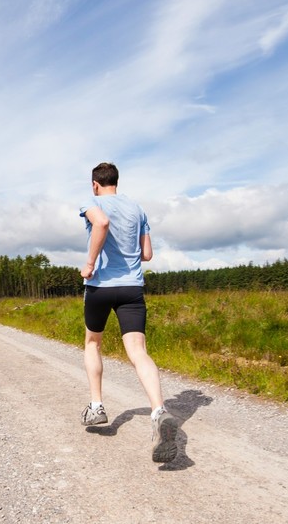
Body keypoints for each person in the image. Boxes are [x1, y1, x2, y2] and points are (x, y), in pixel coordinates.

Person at [78, 162, 176, 463]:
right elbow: (147, 254)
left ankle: (96, 407)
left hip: (100, 287)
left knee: (93, 342)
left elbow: (102, 223)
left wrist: (91, 263)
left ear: (96, 184)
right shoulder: (137, 208)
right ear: (116, 182)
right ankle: (159, 410)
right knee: (138, 351)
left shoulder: (91, 202)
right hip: (132, 288)